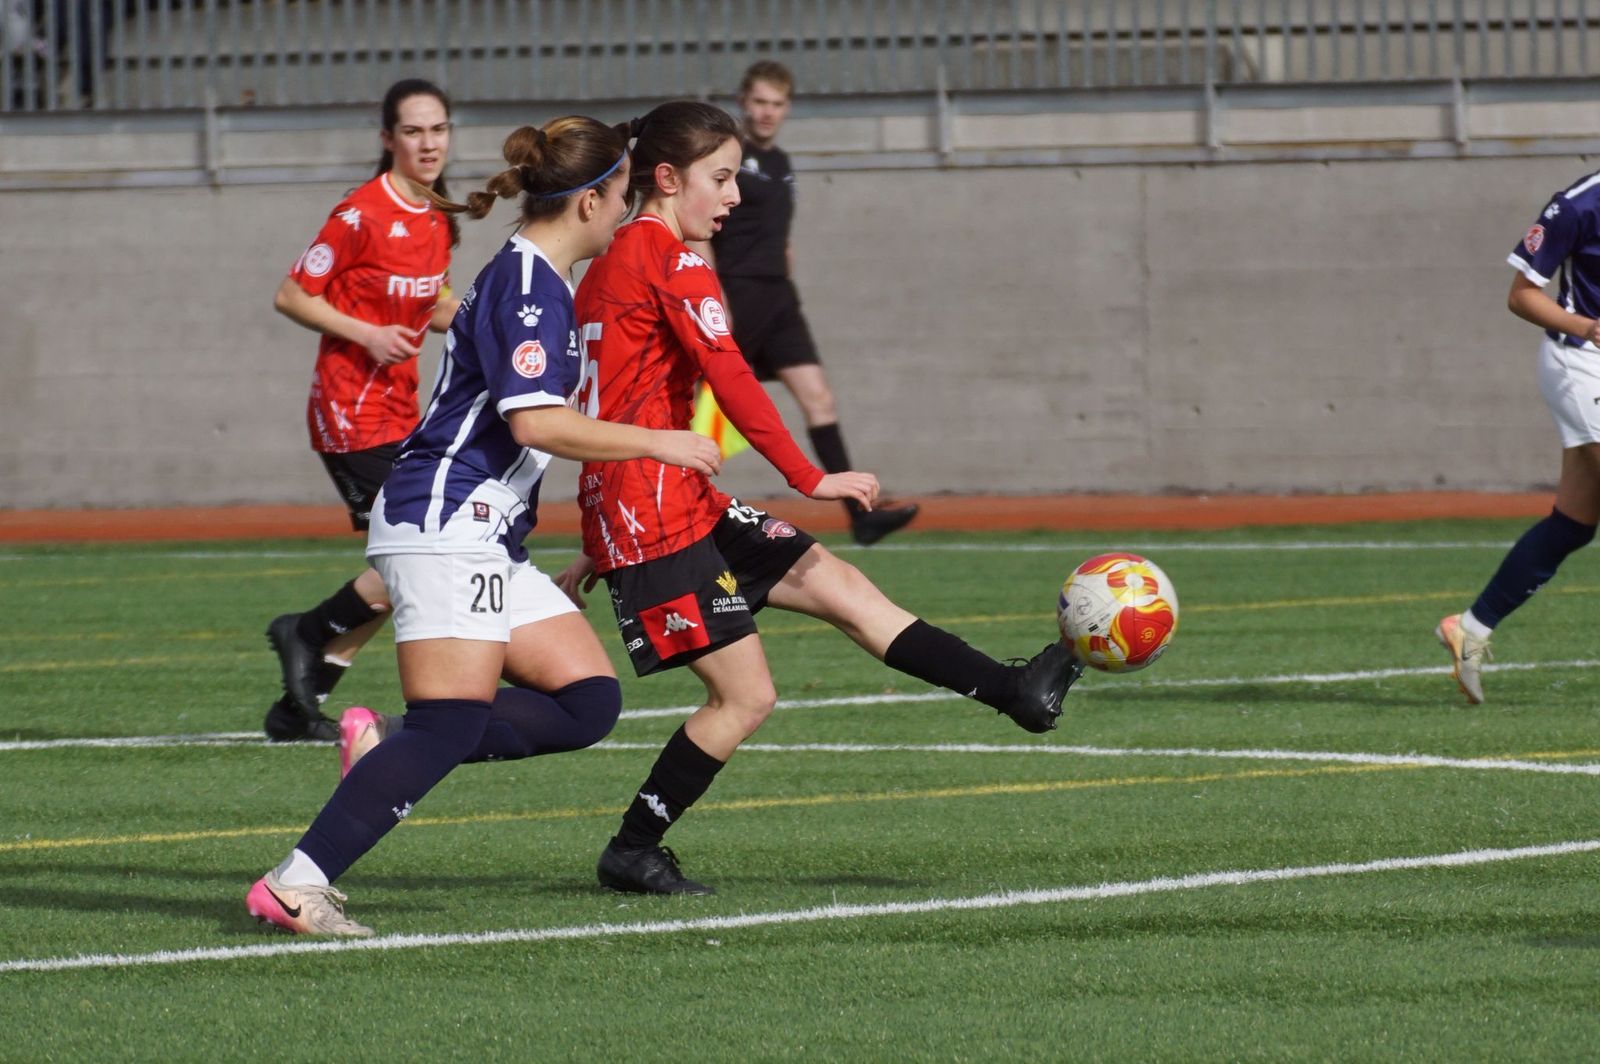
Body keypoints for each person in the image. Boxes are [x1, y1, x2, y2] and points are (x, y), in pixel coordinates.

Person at [557, 100, 1081, 898]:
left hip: (663, 497)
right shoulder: (673, 259)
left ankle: (1015, 693)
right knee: (746, 696)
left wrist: (603, 527)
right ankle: (633, 847)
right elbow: (731, 377)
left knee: (841, 587)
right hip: (654, 505)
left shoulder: (612, 257)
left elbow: (610, 394)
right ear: (667, 179)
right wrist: (811, 477)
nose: (734, 197)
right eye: (721, 179)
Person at [244, 116, 723, 937]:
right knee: (455, 722)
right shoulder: (531, 286)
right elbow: (535, 423)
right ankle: (296, 881)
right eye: (621, 195)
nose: (627, 210)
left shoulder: (535, 278)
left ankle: (386, 744)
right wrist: (660, 443)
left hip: (484, 529)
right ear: (588, 202)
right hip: (445, 521)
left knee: (586, 703)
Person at [263, 78, 463, 743]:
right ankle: (309, 630)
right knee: (415, 555)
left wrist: (498, 327)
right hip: (350, 411)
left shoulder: (436, 218)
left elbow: (432, 302)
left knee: (403, 565)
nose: (428, 143)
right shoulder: (359, 214)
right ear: (388, 139)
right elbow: (293, 295)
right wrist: (366, 332)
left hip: (400, 410)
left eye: (437, 129)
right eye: (413, 131)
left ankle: (301, 703)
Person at [692, 59, 919, 546]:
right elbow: (702, 228)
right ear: (742, 103)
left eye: (776, 104)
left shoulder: (781, 163)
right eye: (759, 102)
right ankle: (666, 511)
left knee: (819, 398)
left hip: (779, 299)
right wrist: (714, 292)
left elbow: (781, 234)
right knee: (701, 407)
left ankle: (861, 516)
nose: (767, 113)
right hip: (738, 291)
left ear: (787, 108)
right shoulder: (727, 156)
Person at [1436, 171, 1600, 703]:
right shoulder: (1578, 206)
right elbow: (1522, 295)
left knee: (1574, 524)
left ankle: (1471, 628)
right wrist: (1587, 327)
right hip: (1583, 365)